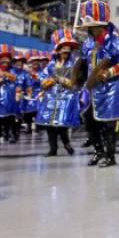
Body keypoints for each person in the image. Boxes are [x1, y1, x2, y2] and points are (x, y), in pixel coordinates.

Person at [77, 0, 119, 168]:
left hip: (112, 90)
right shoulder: (87, 44)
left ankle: (110, 155)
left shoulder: (114, 42)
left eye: (91, 25)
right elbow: (86, 64)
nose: (88, 29)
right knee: (88, 120)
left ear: (101, 24)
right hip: (93, 90)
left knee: (109, 124)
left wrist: (108, 72)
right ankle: (98, 151)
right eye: (87, 26)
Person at [37, 29, 80, 157]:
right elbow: (42, 78)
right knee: (50, 126)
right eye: (63, 48)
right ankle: (53, 149)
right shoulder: (51, 64)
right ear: (58, 49)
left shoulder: (74, 64)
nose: (65, 51)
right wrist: (45, 82)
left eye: (68, 49)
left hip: (66, 97)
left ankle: (66, 144)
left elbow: (76, 81)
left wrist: (63, 80)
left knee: (62, 124)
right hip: (51, 97)